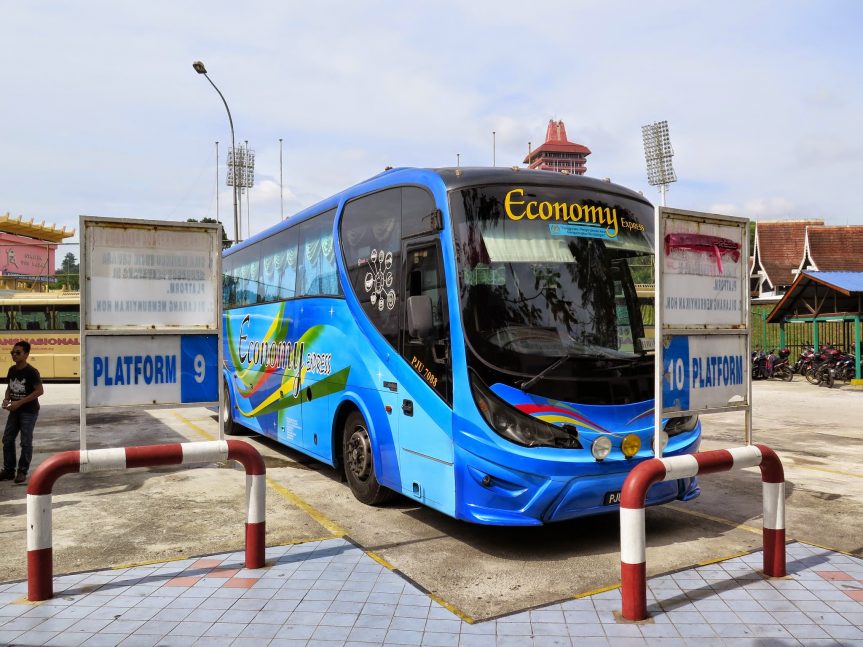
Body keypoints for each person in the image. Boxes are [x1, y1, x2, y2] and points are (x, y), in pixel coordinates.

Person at [1, 341, 44, 484]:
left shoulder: (32, 372)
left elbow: (39, 391)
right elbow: (9, 387)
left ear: (26, 354)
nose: (14, 355)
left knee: (25, 442)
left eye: (18, 353)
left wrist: (19, 403)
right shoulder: (12, 369)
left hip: (29, 412)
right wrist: (6, 399)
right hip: (14, 411)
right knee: (7, 439)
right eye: (12, 353)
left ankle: (22, 471)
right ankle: (8, 471)